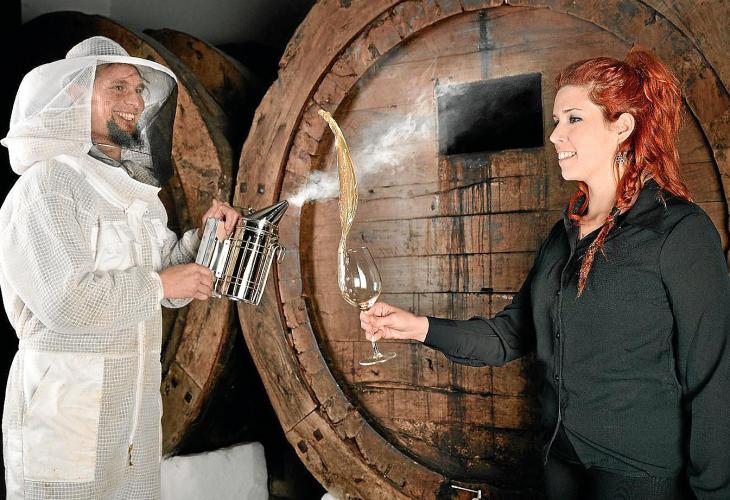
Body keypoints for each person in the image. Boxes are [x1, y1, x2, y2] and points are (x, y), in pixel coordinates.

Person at [361, 48, 730, 499]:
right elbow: (509, 336)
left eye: (574, 119)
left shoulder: (679, 231)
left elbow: (715, 379)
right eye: (556, 120)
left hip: (640, 475)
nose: (555, 135)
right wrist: (416, 328)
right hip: (560, 462)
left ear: (622, 127)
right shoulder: (564, 234)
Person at [0, 37, 239, 499]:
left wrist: (208, 238)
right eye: (118, 87)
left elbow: (169, 284)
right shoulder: (48, 185)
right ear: (76, 92)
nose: (135, 101)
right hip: (65, 417)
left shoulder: (133, 193)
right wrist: (160, 284)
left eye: (139, 89)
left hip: (131, 420)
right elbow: (65, 302)